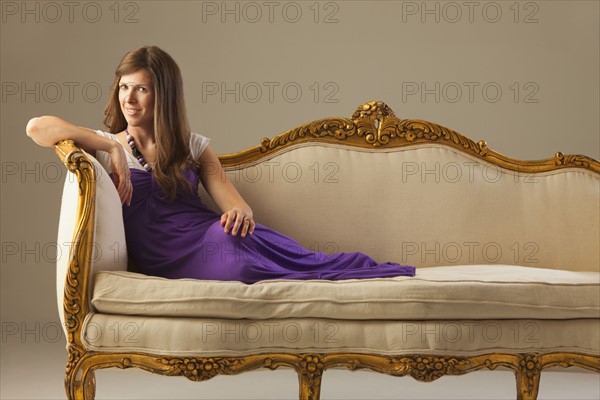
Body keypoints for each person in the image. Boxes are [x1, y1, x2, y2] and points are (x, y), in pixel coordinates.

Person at [26, 45, 416, 284]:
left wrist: (241, 212)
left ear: (162, 95)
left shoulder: (193, 146)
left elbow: (232, 200)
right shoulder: (106, 143)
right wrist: (107, 147)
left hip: (210, 238)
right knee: (242, 266)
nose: (130, 99)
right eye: (124, 87)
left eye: (141, 88)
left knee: (263, 252)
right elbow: (37, 128)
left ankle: (352, 272)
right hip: (158, 256)